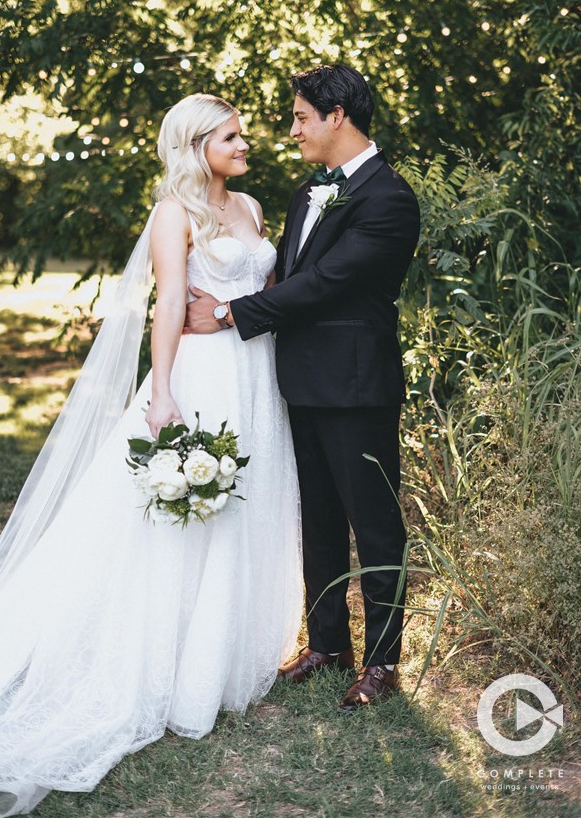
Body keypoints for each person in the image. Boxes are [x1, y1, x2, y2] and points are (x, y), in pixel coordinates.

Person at [0, 93, 303, 817]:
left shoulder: (248, 206)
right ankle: (164, 660)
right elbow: (166, 306)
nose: (246, 144)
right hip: (201, 374)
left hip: (256, 375)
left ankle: (217, 656)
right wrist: (159, 395)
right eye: (232, 136)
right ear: (196, 145)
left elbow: (266, 289)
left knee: (243, 508)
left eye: (243, 134)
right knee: (183, 522)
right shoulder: (172, 214)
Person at [185, 64, 420, 710]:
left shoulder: (388, 199)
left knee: (373, 527)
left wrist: (231, 315)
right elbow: (286, 277)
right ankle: (325, 644)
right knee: (315, 521)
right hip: (297, 382)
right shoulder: (304, 193)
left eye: (299, 118)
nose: (291, 131)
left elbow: (327, 283)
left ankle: (381, 662)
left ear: (335, 117)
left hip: (356, 384)